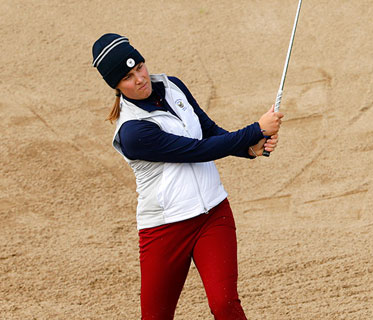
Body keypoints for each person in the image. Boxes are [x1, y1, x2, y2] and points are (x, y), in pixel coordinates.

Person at [91, 33, 282, 319]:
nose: (140, 78)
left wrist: (250, 150)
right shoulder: (132, 132)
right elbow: (196, 150)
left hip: (213, 215)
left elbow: (208, 131)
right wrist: (256, 129)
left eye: (140, 67)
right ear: (116, 87)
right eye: (128, 77)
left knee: (225, 305)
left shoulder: (173, 85)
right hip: (165, 230)